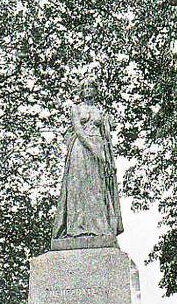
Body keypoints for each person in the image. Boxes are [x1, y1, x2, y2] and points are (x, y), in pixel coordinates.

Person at [51, 78, 123, 245]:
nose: (88, 89)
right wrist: (93, 148)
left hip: (99, 149)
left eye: (91, 86)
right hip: (81, 149)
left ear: (96, 90)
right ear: (81, 91)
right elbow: (78, 129)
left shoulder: (101, 111)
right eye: (85, 87)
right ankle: (76, 228)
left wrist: (107, 155)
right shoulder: (76, 109)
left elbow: (106, 135)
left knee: (97, 187)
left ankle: (99, 228)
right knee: (79, 186)